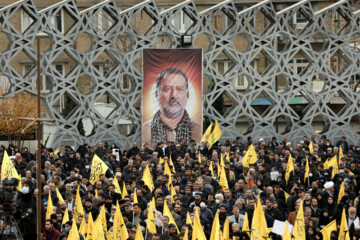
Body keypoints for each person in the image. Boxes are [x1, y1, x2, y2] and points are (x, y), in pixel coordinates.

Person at [142, 68, 201, 148]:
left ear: (187, 95)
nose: (174, 95)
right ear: (157, 94)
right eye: (167, 89)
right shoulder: (145, 131)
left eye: (179, 89)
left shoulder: (198, 130)